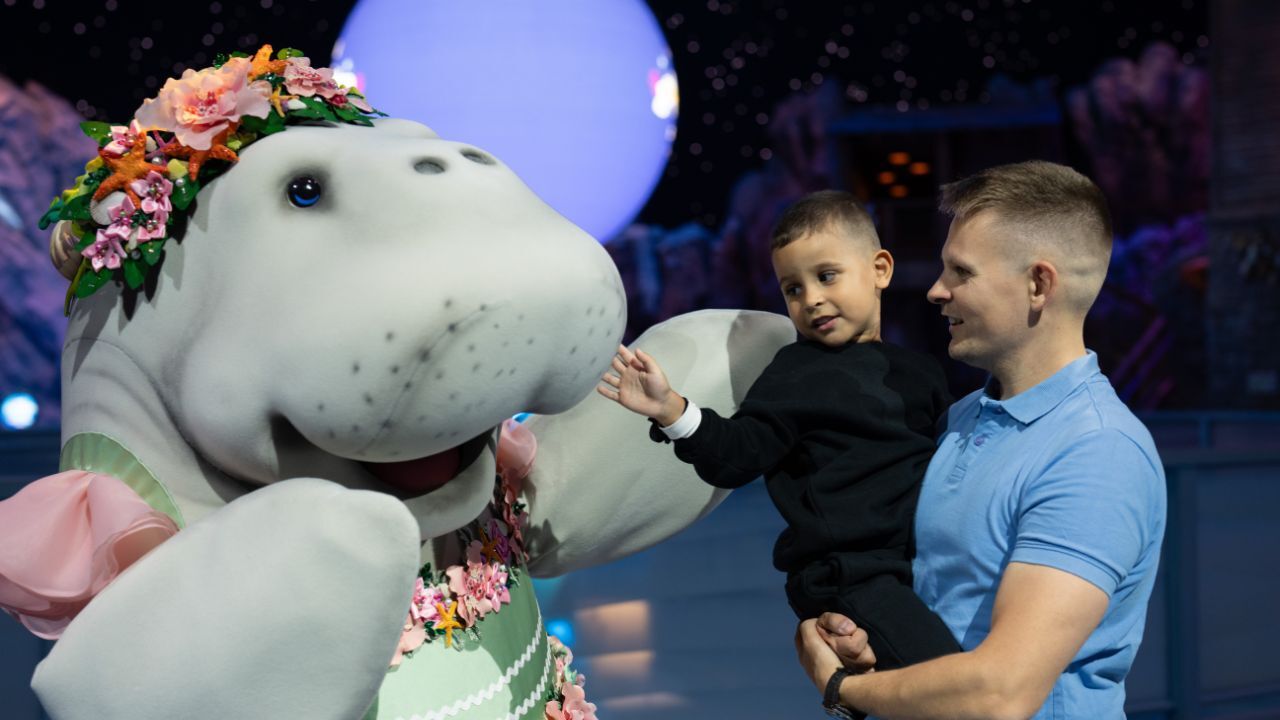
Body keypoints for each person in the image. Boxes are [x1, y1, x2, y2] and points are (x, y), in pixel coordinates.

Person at [794, 161, 1167, 719]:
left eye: (961, 272)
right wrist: (866, 648)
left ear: (1038, 284)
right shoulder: (962, 418)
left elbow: (1002, 693)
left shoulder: (1098, 453)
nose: (936, 291)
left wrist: (841, 689)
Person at [598, 190, 962, 671]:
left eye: (826, 276)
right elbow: (739, 453)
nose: (811, 298)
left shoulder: (923, 372)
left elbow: (953, 462)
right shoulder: (795, 373)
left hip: (923, 565)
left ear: (880, 270)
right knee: (957, 684)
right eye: (792, 288)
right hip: (852, 577)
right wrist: (671, 409)